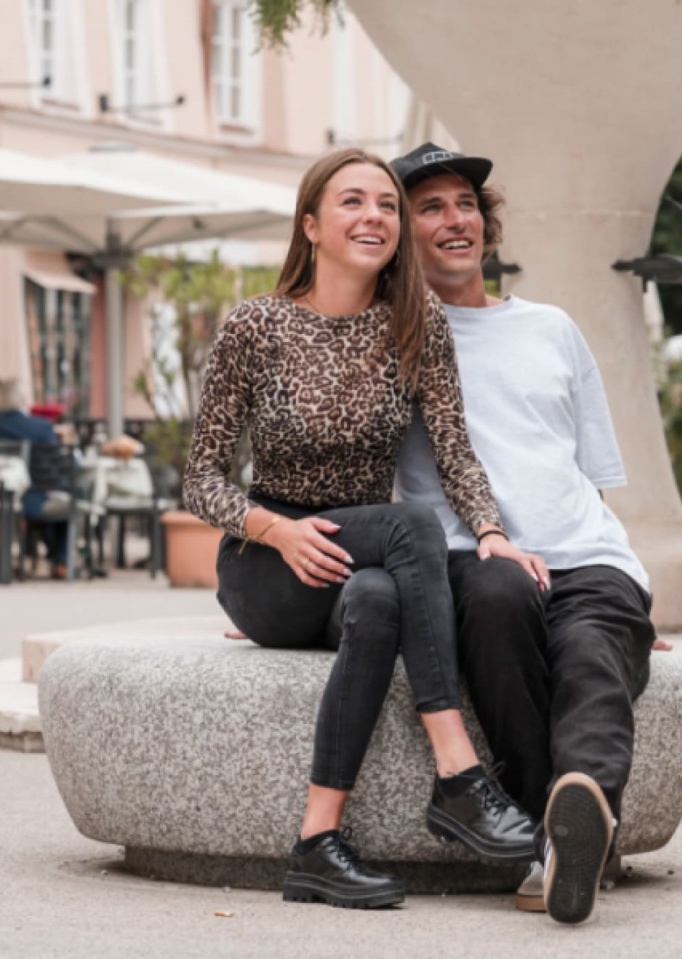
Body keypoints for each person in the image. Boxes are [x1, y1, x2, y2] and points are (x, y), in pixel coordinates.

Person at [183, 148, 548, 911]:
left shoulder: (414, 328)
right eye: (352, 202)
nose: (374, 216)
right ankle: (457, 771)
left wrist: (490, 531)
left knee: (380, 596)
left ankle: (317, 842)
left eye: (386, 203)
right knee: (411, 526)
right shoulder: (257, 324)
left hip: (359, 564)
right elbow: (200, 477)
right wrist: (275, 531)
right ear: (311, 225)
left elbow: (455, 450)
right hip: (267, 562)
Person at [391, 142, 658, 925]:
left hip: (588, 557)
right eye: (431, 207)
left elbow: (589, 473)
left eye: (466, 204)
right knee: (502, 599)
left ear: (487, 221)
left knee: (589, 651)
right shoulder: (392, 343)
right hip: (474, 557)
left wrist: (639, 588)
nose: (455, 219)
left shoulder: (553, 328)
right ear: (403, 234)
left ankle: (572, 823)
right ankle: (568, 837)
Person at [0, 380, 71, 579]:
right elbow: (56, 468)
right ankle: (62, 559)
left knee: (53, 502)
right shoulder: (42, 426)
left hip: (2, 496)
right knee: (67, 502)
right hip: (35, 497)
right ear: (23, 400)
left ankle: (57, 557)